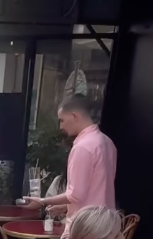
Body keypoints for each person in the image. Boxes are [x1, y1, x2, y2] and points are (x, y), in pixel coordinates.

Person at [26, 95, 117, 231]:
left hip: (85, 226)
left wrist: (42, 201)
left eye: (62, 120)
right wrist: (65, 207)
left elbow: (75, 194)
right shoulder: (108, 143)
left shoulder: (82, 147)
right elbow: (96, 189)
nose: (61, 126)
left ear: (74, 116)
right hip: (105, 223)